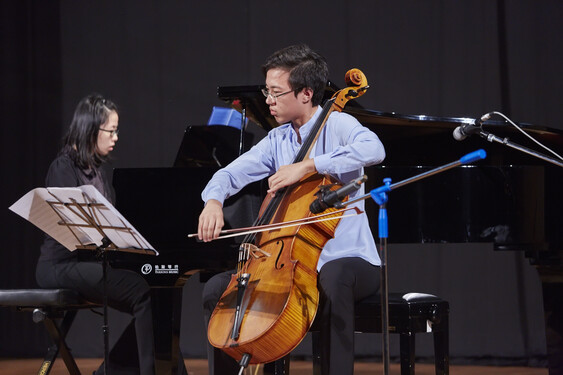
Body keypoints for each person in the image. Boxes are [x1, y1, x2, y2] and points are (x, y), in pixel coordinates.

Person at [198, 44, 386, 375]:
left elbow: (374, 149)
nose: (268, 100)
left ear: (305, 93)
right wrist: (213, 200)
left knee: (334, 275)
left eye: (275, 92)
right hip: (290, 265)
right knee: (217, 289)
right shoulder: (277, 139)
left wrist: (310, 165)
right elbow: (228, 174)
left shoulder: (338, 125)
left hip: (351, 262)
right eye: (266, 92)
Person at [35, 94, 156, 375]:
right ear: (91, 129)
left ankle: (114, 371)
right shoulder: (63, 167)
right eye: (111, 130)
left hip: (87, 262)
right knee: (143, 292)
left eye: (116, 130)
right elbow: (75, 228)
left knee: (157, 294)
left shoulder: (98, 171)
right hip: (60, 265)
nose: (115, 137)